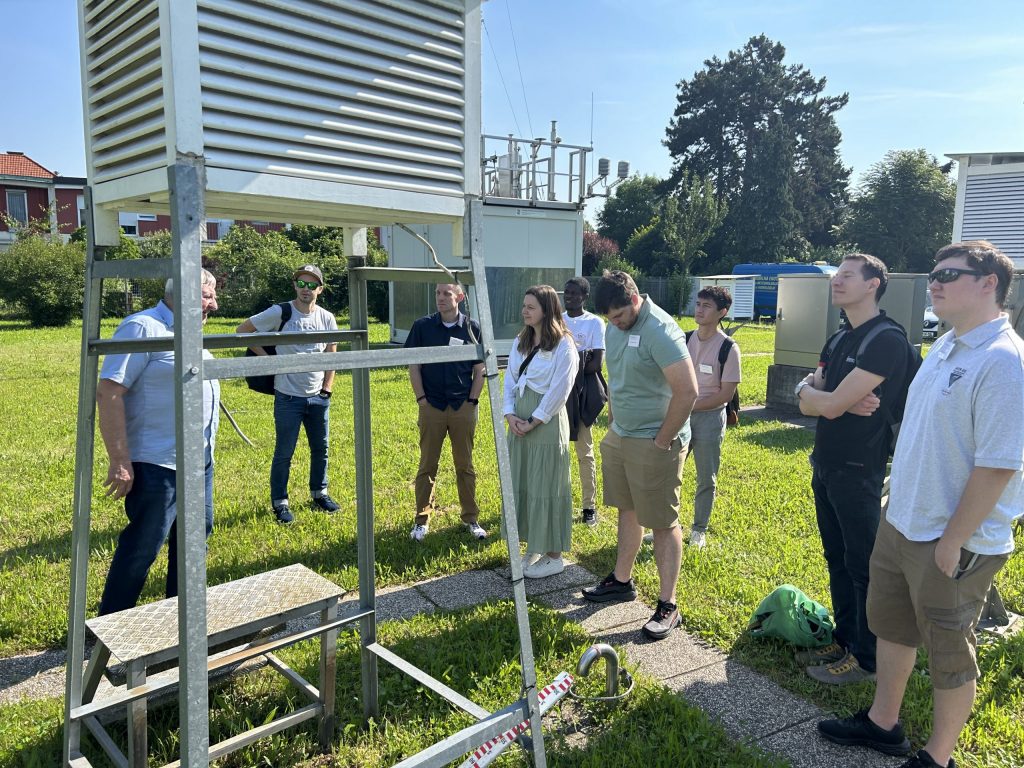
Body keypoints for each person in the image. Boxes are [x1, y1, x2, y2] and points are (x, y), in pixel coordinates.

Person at [818, 242, 1024, 768]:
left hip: (950, 538)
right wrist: (894, 500)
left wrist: (954, 539)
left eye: (950, 274)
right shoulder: (946, 349)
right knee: (892, 626)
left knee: (950, 652)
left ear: (989, 285)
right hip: (903, 519)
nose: (935, 281)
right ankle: (884, 724)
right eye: (934, 273)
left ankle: (938, 757)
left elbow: (999, 465)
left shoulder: (1003, 361)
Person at [796, 253, 916, 684]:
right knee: (837, 557)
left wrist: (824, 402)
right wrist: (816, 398)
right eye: (836, 275)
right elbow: (814, 396)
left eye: (847, 275)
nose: (836, 281)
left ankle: (866, 659)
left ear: (873, 285)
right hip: (826, 464)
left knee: (863, 564)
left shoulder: (885, 340)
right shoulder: (839, 338)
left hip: (859, 468)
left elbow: (825, 402)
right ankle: (845, 638)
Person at [581, 270, 698, 641]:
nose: (613, 324)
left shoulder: (661, 331)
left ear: (634, 300)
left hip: (655, 440)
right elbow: (616, 379)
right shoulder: (615, 327)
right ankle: (621, 580)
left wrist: (662, 441)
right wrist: (615, 423)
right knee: (627, 509)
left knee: (662, 520)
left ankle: (668, 605)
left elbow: (688, 391)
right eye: (608, 319)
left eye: (617, 316)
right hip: (622, 435)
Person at [97, 270, 220, 615]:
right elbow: (109, 391)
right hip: (158, 463)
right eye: (207, 297)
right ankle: (111, 627)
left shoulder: (190, 332)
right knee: (144, 547)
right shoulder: (142, 327)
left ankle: (181, 621)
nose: (214, 304)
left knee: (193, 545)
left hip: (199, 462)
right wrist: (120, 460)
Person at [237, 265, 339, 525]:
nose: (306, 290)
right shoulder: (280, 312)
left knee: (321, 448)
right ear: (295, 286)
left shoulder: (327, 318)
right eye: (301, 284)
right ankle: (280, 502)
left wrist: (327, 388)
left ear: (320, 289)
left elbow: (332, 354)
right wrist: (270, 361)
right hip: (288, 397)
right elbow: (242, 331)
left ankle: (320, 493)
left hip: (318, 397)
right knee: (285, 451)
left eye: (312, 285)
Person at [504, 285, 579, 578]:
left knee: (547, 484)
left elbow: (560, 390)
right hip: (519, 422)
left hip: (544, 425)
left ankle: (554, 555)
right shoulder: (520, 341)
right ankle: (534, 543)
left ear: (547, 310)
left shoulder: (564, 345)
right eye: (524, 305)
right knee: (525, 482)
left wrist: (533, 421)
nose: (525, 311)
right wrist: (510, 414)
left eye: (531, 307)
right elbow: (510, 379)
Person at [405, 283, 487, 542]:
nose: (440, 298)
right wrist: (422, 400)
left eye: (447, 294)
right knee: (427, 465)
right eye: (438, 293)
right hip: (432, 407)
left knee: (465, 465)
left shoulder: (472, 328)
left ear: (460, 298)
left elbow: (480, 369)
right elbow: (414, 365)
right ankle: (421, 520)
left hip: (462, 407)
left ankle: (471, 519)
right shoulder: (422, 327)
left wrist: (472, 401)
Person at [685, 286, 741, 549]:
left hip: (708, 419)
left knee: (706, 477)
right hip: (680, 416)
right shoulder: (684, 340)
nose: (699, 309)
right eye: (698, 304)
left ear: (722, 312)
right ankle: (665, 525)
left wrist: (691, 406)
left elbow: (725, 394)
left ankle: (699, 529)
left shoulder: (728, 348)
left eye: (707, 305)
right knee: (667, 472)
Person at [562, 277, 607, 527]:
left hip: (582, 395)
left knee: (584, 452)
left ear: (585, 296)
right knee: (558, 452)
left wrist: (568, 367)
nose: (569, 296)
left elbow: (596, 364)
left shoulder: (594, 323)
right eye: (567, 292)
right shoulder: (557, 320)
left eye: (575, 293)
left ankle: (589, 506)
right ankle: (558, 502)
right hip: (558, 393)